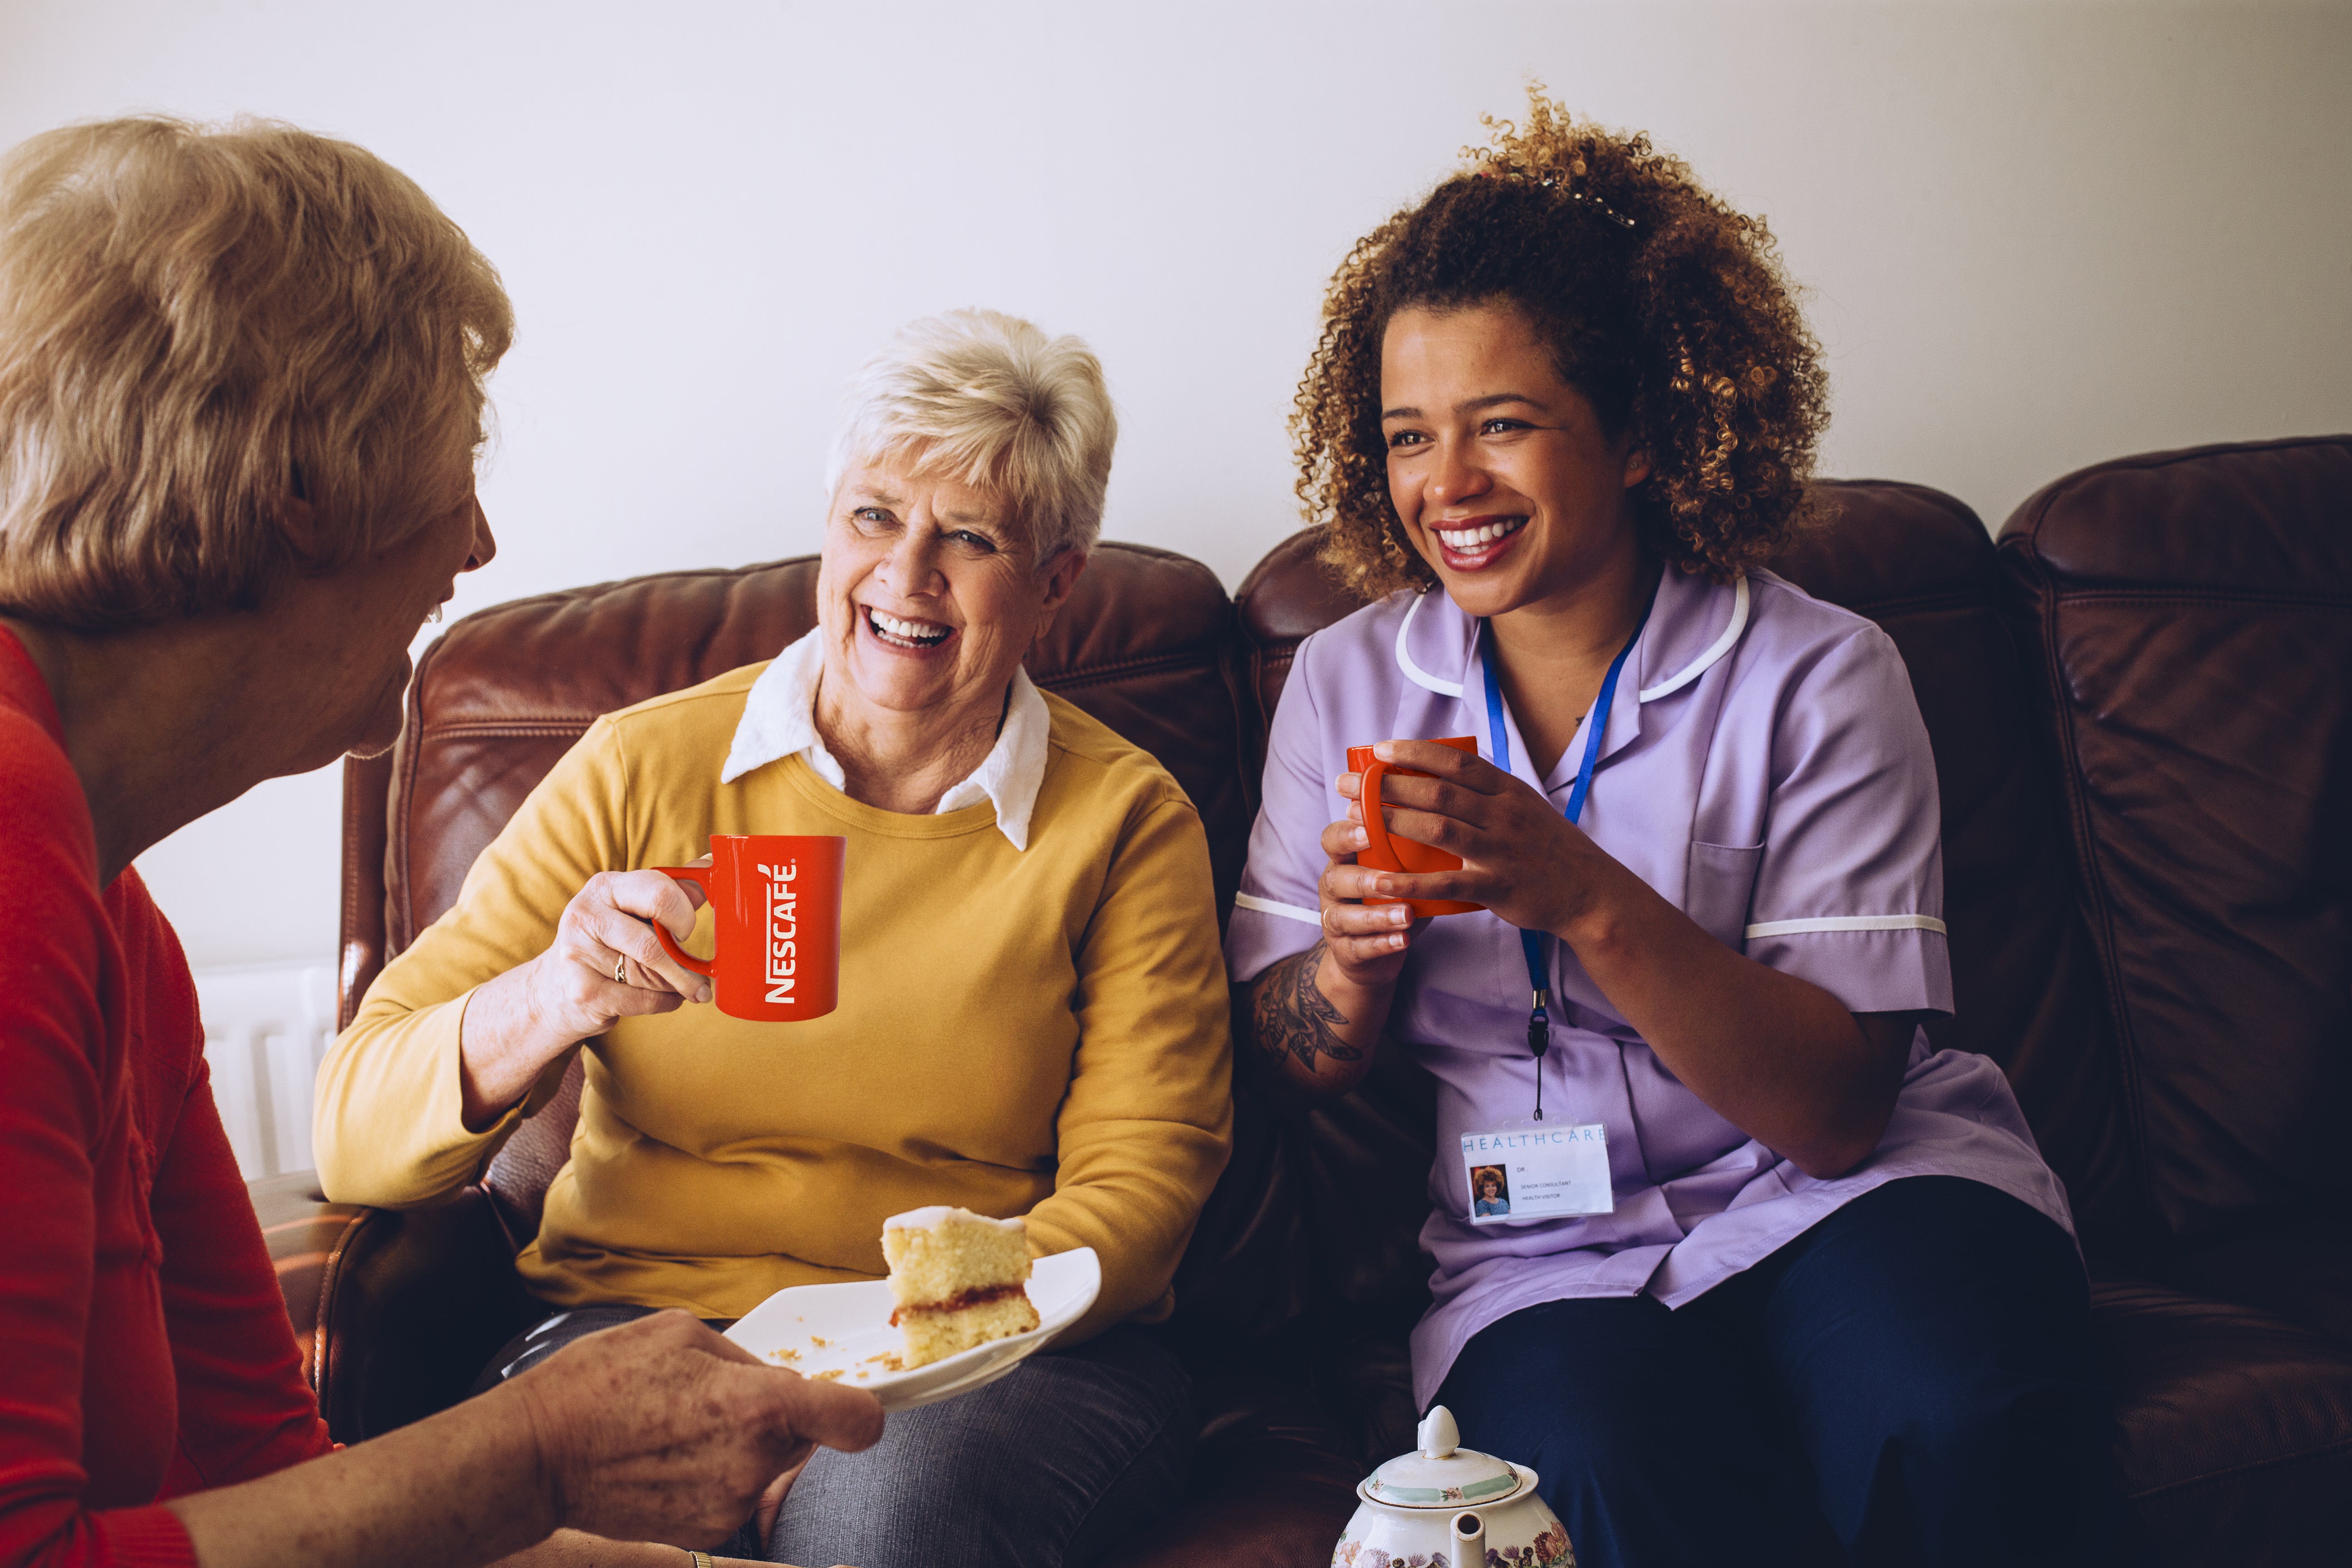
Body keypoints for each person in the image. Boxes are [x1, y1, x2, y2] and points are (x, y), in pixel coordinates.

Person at [1228, 94, 2115, 1567]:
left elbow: (1835, 1114)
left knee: (1951, 1412)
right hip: (1539, 1260)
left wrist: (1583, 893)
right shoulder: (1347, 682)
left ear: (1639, 434)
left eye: (1503, 425)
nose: (1446, 486)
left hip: (1852, 1196)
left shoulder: (1820, 672)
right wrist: (1349, 972)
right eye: (1408, 437)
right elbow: (1291, 1057)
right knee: (1579, 1474)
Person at [0, 116, 882, 1568]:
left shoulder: (111, 909)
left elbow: (264, 1462)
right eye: (449, 464)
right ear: (300, 484)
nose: (476, 543)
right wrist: (537, 1453)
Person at [315, 308, 1234, 1568]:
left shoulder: (1123, 820)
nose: (907, 578)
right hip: (638, 1318)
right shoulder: (642, 766)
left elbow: (1145, 1189)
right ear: (828, 527)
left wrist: (876, 1357)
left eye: (969, 540)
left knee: (876, 1519)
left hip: (986, 1355)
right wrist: (554, 998)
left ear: (1056, 583)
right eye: (874, 517)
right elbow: (352, 1128)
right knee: (548, 1512)